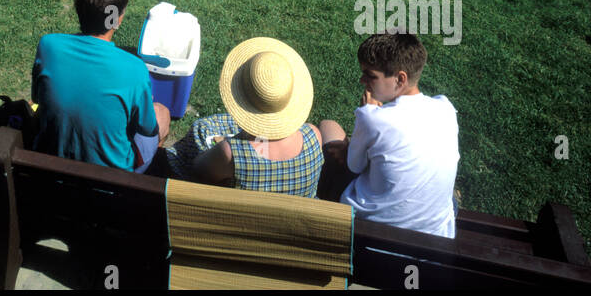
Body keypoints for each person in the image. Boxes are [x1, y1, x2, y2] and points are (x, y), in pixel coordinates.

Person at [319, 33, 459, 238]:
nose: (362, 80)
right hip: (435, 235)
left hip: (369, 231)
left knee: (327, 126)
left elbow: (353, 167)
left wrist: (365, 116)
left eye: (370, 75)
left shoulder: (372, 118)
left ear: (400, 79)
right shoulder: (446, 108)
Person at [31, 0, 169, 172]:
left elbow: (36, 97)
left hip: (51, 163)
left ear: (79, 9)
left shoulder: (48, 45)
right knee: (161, 113)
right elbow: (147, 128)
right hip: (112, 177)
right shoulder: (135, 68)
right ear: (116, 20)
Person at [165, 38, 324, 197]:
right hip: (292, 219)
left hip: (232, 218)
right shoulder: (314, 135)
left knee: (200, 130)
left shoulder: (230, 153)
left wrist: (234, 141)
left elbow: (198, 168)